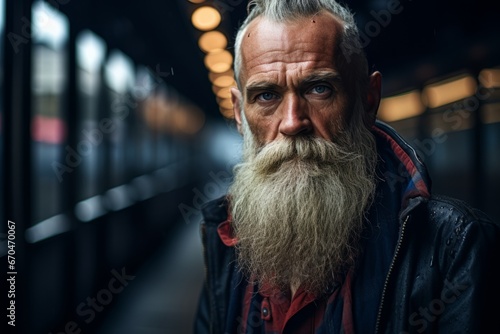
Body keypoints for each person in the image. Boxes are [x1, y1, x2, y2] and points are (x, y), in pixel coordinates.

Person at [194, 0, 500, 333]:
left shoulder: (456, 248)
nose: (293, 122)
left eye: (319, 88)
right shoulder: (225, 242)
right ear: (240, 114)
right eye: (267, 96)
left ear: (368, 99)